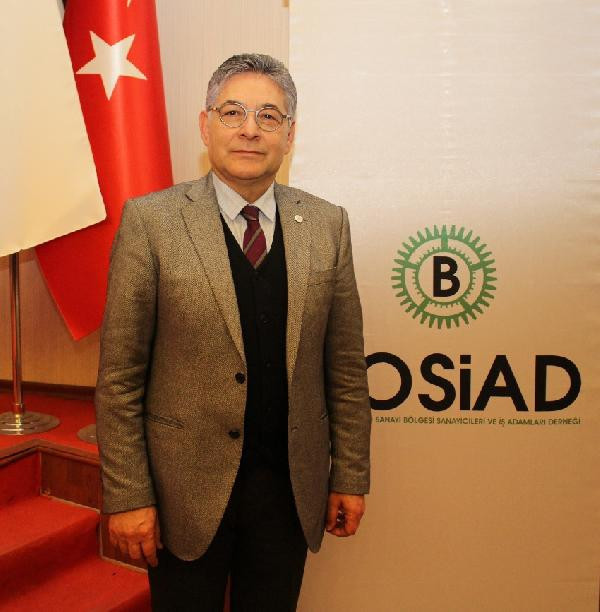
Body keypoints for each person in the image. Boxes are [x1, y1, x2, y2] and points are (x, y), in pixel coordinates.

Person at [95, 53, 371, 612]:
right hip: (182, 495)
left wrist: (350, 473)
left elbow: (344, 368)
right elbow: (120, 378)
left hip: (288, 493)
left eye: (269, 116)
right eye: (233, 112)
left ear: (289, 135)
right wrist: (128, 494)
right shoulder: (151, 222)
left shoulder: (328, 224)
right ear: (206, 126)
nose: (250, 129)